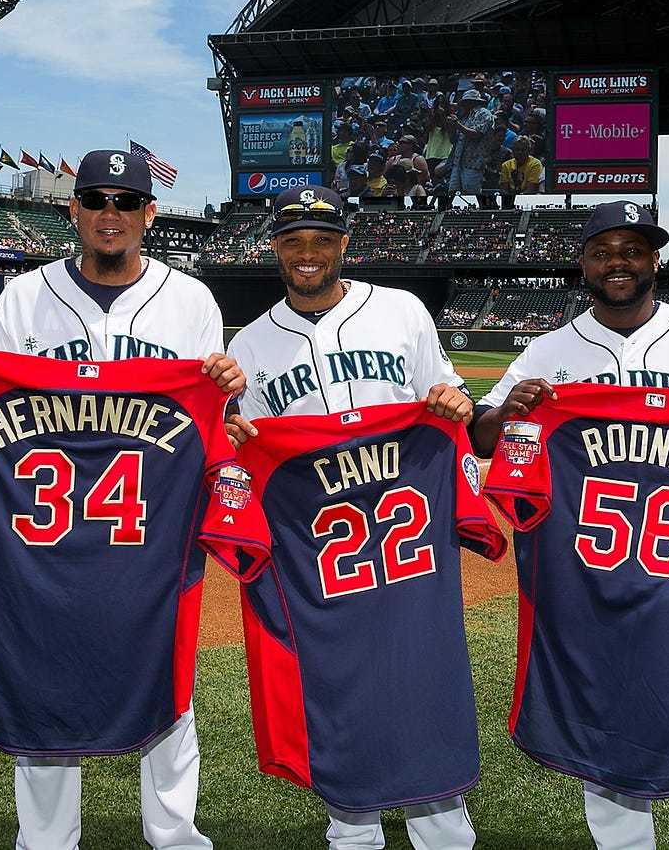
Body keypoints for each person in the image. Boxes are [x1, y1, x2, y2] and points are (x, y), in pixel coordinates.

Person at [0, 149, 245, 850]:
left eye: (126, 202)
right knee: (41, 681)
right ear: (73, 210)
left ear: (149, 215)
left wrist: (228, 382)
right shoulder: (24, 297)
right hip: (43, 546)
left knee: (170, 683)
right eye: (95, 199)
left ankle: (176, 837)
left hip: (148, 540)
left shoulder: (190, 303)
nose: (110, 213)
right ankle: (45, 842)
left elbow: (214, 420)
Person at [470, 200, 669, 850]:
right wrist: (511, 413)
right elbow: (481, 434)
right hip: (590, 589)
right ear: (583, 262)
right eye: (604, 250)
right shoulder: (551, 350)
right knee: (604, 728)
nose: (619, 261)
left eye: (634, 249)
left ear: (654, 261)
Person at [225, 185, 480, 850]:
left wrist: (452, 401)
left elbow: (443, 394)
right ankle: (351, 829)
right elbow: (245, 455)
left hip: (409, 553)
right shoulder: (250, 347)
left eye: (320, 240)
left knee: (426, 698)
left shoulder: (401, 312)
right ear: (275, 249)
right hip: (322, 562)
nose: (307, 254)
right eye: (292, 242)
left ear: (344, 243)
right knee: (339, 704)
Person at [444, 90, 493, 206]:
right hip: (458, 162)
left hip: (474, 162)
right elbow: (453, 140)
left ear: (471, 102)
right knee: (453, 192)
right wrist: (451, 126)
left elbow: (476, 135)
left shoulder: (484, 113)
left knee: (471, 194)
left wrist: (457, 125)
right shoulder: (465, 117)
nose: (462, 107)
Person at [497, 136, 542, 209]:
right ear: (513, 151)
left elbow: (531, 188)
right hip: (509, 199)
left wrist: (518, 200)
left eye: (522, 150)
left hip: (528, 200)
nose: (519, 152)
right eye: (517, 150)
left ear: (528, 151)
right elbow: (504, 188)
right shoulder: (506, 165)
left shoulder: (535, 164)